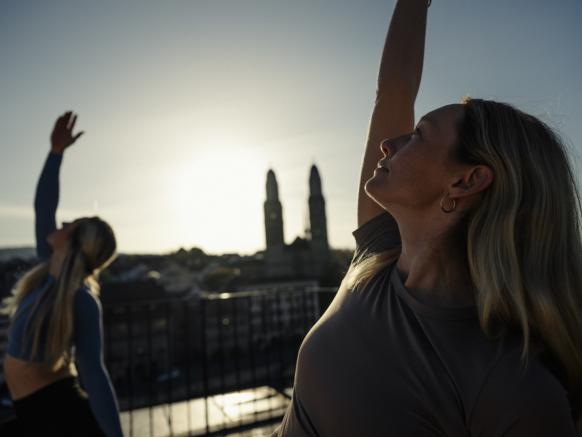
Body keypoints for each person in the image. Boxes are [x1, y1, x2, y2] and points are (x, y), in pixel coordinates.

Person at [273, 1, 582, 436]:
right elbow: (394, 90)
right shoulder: (375, 256)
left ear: (465, 182)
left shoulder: (513, 388)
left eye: (418, 135)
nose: (388, 145)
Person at [1, 111, 124, 436]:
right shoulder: (46, 270)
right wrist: (56, 153)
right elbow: (43, 206)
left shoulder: (81, 300)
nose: (63, 223)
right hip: (31, 413)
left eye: (72, 224)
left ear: (73, 242)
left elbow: (94, 375)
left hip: (58, 416)